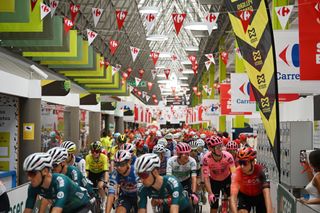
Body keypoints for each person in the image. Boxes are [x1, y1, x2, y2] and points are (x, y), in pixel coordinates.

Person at [23, 153, 91, 213]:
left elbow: (57, 210)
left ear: (45, 171)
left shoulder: (61, 181)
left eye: (32, 174)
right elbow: (27, 210)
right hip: (65, 209)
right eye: (28, 174)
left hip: (81, 207)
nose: (29, 178)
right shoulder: (33, 187)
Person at [230, 147, 272, 213]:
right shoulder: (237, 172)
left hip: (259, 196)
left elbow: (267, 195)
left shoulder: (261, 170)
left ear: (253, 162)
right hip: (244, 196)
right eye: (240, 162)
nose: (242, 166)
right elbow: (233, 197)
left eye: (245, 163)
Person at [202, 136, 236, 213]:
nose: (220, 148)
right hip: (214, 181)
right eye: (218, 147)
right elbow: (206, 178)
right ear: (211, 149)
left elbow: (234, 174)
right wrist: (210, 193)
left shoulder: (228, 156)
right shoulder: (206, 159)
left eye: (221, 146)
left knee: (232, 202)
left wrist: (234, 189)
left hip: (227, 179)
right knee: (214, 206)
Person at [85, 141, 109, 209]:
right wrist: (85, 179)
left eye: (97, 151)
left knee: (100, 186)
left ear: (100, 151)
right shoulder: (88, 157)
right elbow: (87, 171)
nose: (94, 153)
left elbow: (106, 171)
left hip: (101, 173)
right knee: (89, 187)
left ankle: (104, 200)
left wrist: (106, 182)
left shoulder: (104, 157)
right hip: (92, 173)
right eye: (93, 151)